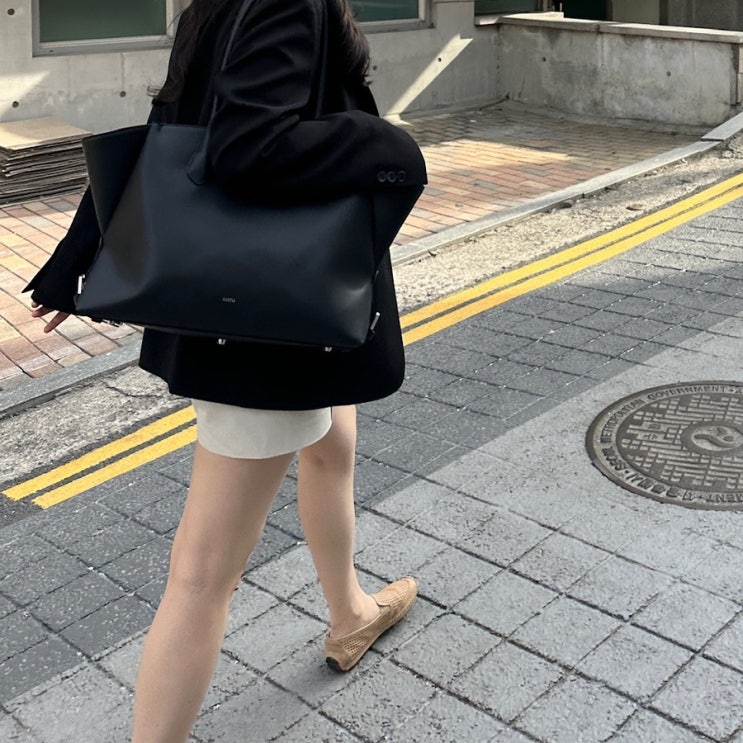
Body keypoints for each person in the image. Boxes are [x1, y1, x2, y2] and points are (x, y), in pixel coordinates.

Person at [25, 0, 427, 740]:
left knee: (332, 443)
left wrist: (78, 250)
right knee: (202, 573)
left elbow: (173, 118)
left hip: (266, 310)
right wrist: (385, 143)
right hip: (265, 320)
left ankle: (349, 612)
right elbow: (247, 145)